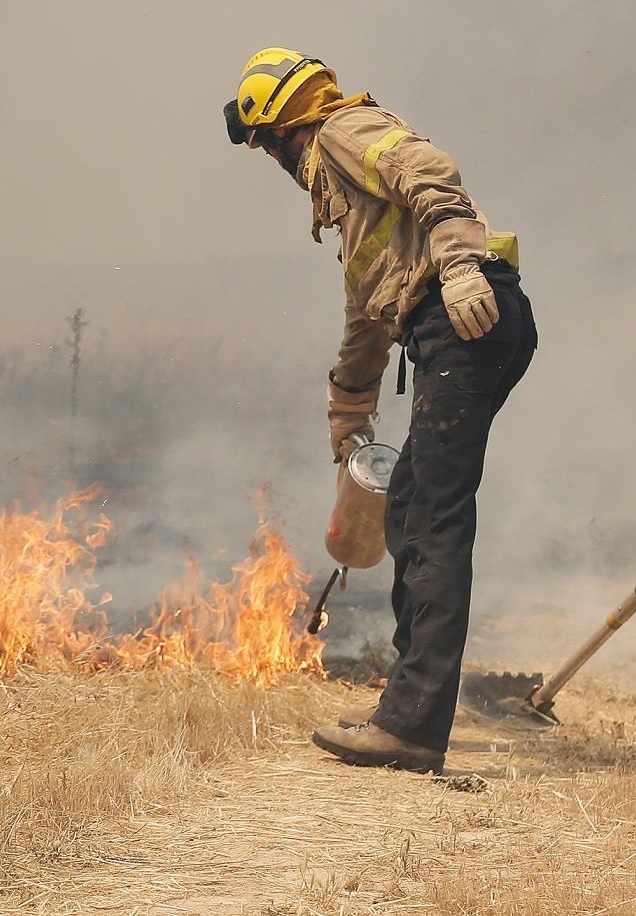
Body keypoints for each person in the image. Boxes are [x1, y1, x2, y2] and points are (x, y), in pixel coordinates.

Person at [225, 48, 537, 772]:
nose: (271, 160)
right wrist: (348, 407)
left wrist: (458, 266)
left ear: (283, 127)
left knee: (429, 514)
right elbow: (370, 307)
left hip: (462, 316)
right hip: (466, 323)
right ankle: (406, 707)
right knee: (411, 511)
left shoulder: (343, 130)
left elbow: (431, 170)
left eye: (267, 143)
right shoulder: (348, 195)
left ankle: (411, 726)